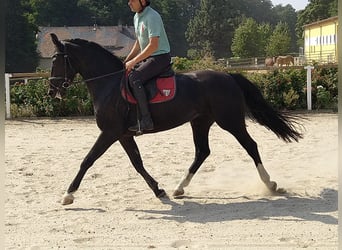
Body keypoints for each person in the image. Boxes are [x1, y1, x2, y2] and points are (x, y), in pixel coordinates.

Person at [124, 0, 171, 132]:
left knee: (134, 77)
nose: (129, 3)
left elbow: (153, 45)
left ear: (143, 1)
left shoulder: (153, 16)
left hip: (160, 57)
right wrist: (127, 60)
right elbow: (139, 43)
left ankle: (146, 121)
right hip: (148, 57)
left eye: (132, 0)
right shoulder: (136, 17)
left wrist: (133, 62)